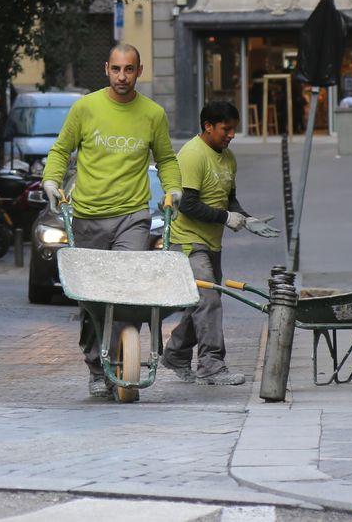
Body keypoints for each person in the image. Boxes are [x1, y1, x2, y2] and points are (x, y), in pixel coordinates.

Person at [42, 44, 182, 398]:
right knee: (91, 298)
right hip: (88, 216)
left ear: (140, 71)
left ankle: (122, 354)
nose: (122, 77)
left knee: (127, 290)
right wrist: (50, 181)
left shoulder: (153, 114)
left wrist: (174, 189)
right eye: (117, 69)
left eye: (129, 70)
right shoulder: (85, 108)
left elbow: (166, 159)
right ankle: (95, 363)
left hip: (132, 218)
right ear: (107, 69)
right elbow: (61, 150)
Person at [161, 101, 281, 386]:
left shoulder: (228, 158)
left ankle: (176, 353)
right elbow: (188, 204)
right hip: (188, 243)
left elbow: (229, 199)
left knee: (201, 304)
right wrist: (227, 218)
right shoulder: (192, 155)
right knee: (209, 300)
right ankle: (211, 365)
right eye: (226, 129)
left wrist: (247, 219)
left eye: (233, 129)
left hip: (212, 243)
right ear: (208, 126)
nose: (231, 135)